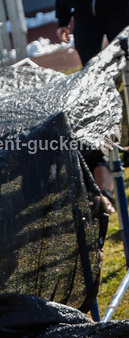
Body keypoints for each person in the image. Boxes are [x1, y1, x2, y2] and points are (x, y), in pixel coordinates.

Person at [56, 0, 129, 209]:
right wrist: (63, 18)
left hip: (119, 10)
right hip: (85, 14)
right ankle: (104, 148)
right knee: (91, 80)